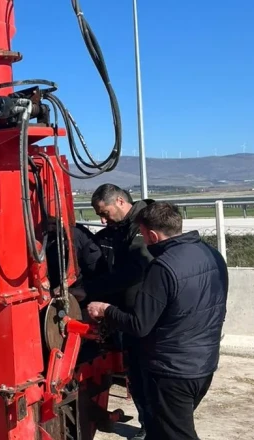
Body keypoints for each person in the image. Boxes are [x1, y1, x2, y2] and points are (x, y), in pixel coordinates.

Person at [86, 201, 229, 440]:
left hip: (171, 371)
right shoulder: (212, 255)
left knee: (175, 434)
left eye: (143, 234)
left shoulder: (162, 267)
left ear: (152, 235)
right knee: (161, 430)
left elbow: (139, 325)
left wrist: (106, 310)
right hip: (204, 363)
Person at [75, 184, 154, 440]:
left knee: (147, 375)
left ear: (120, 201)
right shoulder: (117, 230)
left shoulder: (144, 227)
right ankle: (148, 424)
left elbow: (131, 274)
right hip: (127, 315)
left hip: (146, 316)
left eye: (104, 212)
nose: (102, 219)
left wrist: (88, 290)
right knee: (136, 375)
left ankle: (153, 428)